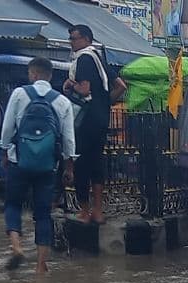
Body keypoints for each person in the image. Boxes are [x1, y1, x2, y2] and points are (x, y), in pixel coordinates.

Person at [0, 57, 76, 273]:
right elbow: (69, 139)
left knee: (13, 204)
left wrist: (6, 151)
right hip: (47, 166)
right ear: (50, 76)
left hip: (18, 161)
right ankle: (41, 265)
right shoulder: (62, 101)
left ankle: (16, 247)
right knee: (42, 213)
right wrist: (69, 167)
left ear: (32, 74)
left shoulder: (20, 94)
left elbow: (7, 128)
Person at [63, 24, 125, 225]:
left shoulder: (84, 58)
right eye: (71, 38)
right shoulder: (100, 59)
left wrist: (69, 84)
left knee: (81, 163)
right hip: (100, 119)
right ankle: (99, 211)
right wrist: (105, 104)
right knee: (97, 163)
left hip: (85, 120)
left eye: (74, 38)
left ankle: (84, 211)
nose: (71, 42)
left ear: (86, 39)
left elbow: (83, 90)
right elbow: (121, 86)